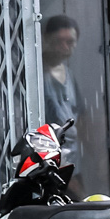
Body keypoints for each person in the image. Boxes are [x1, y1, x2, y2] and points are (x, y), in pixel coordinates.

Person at [41, 14, 82, 175]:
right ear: (46, 39)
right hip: (48, 163)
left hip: (72, 162)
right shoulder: (37, 74)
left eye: (70, 42)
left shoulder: (69, 74)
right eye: (58, 41)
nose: (64, 47)